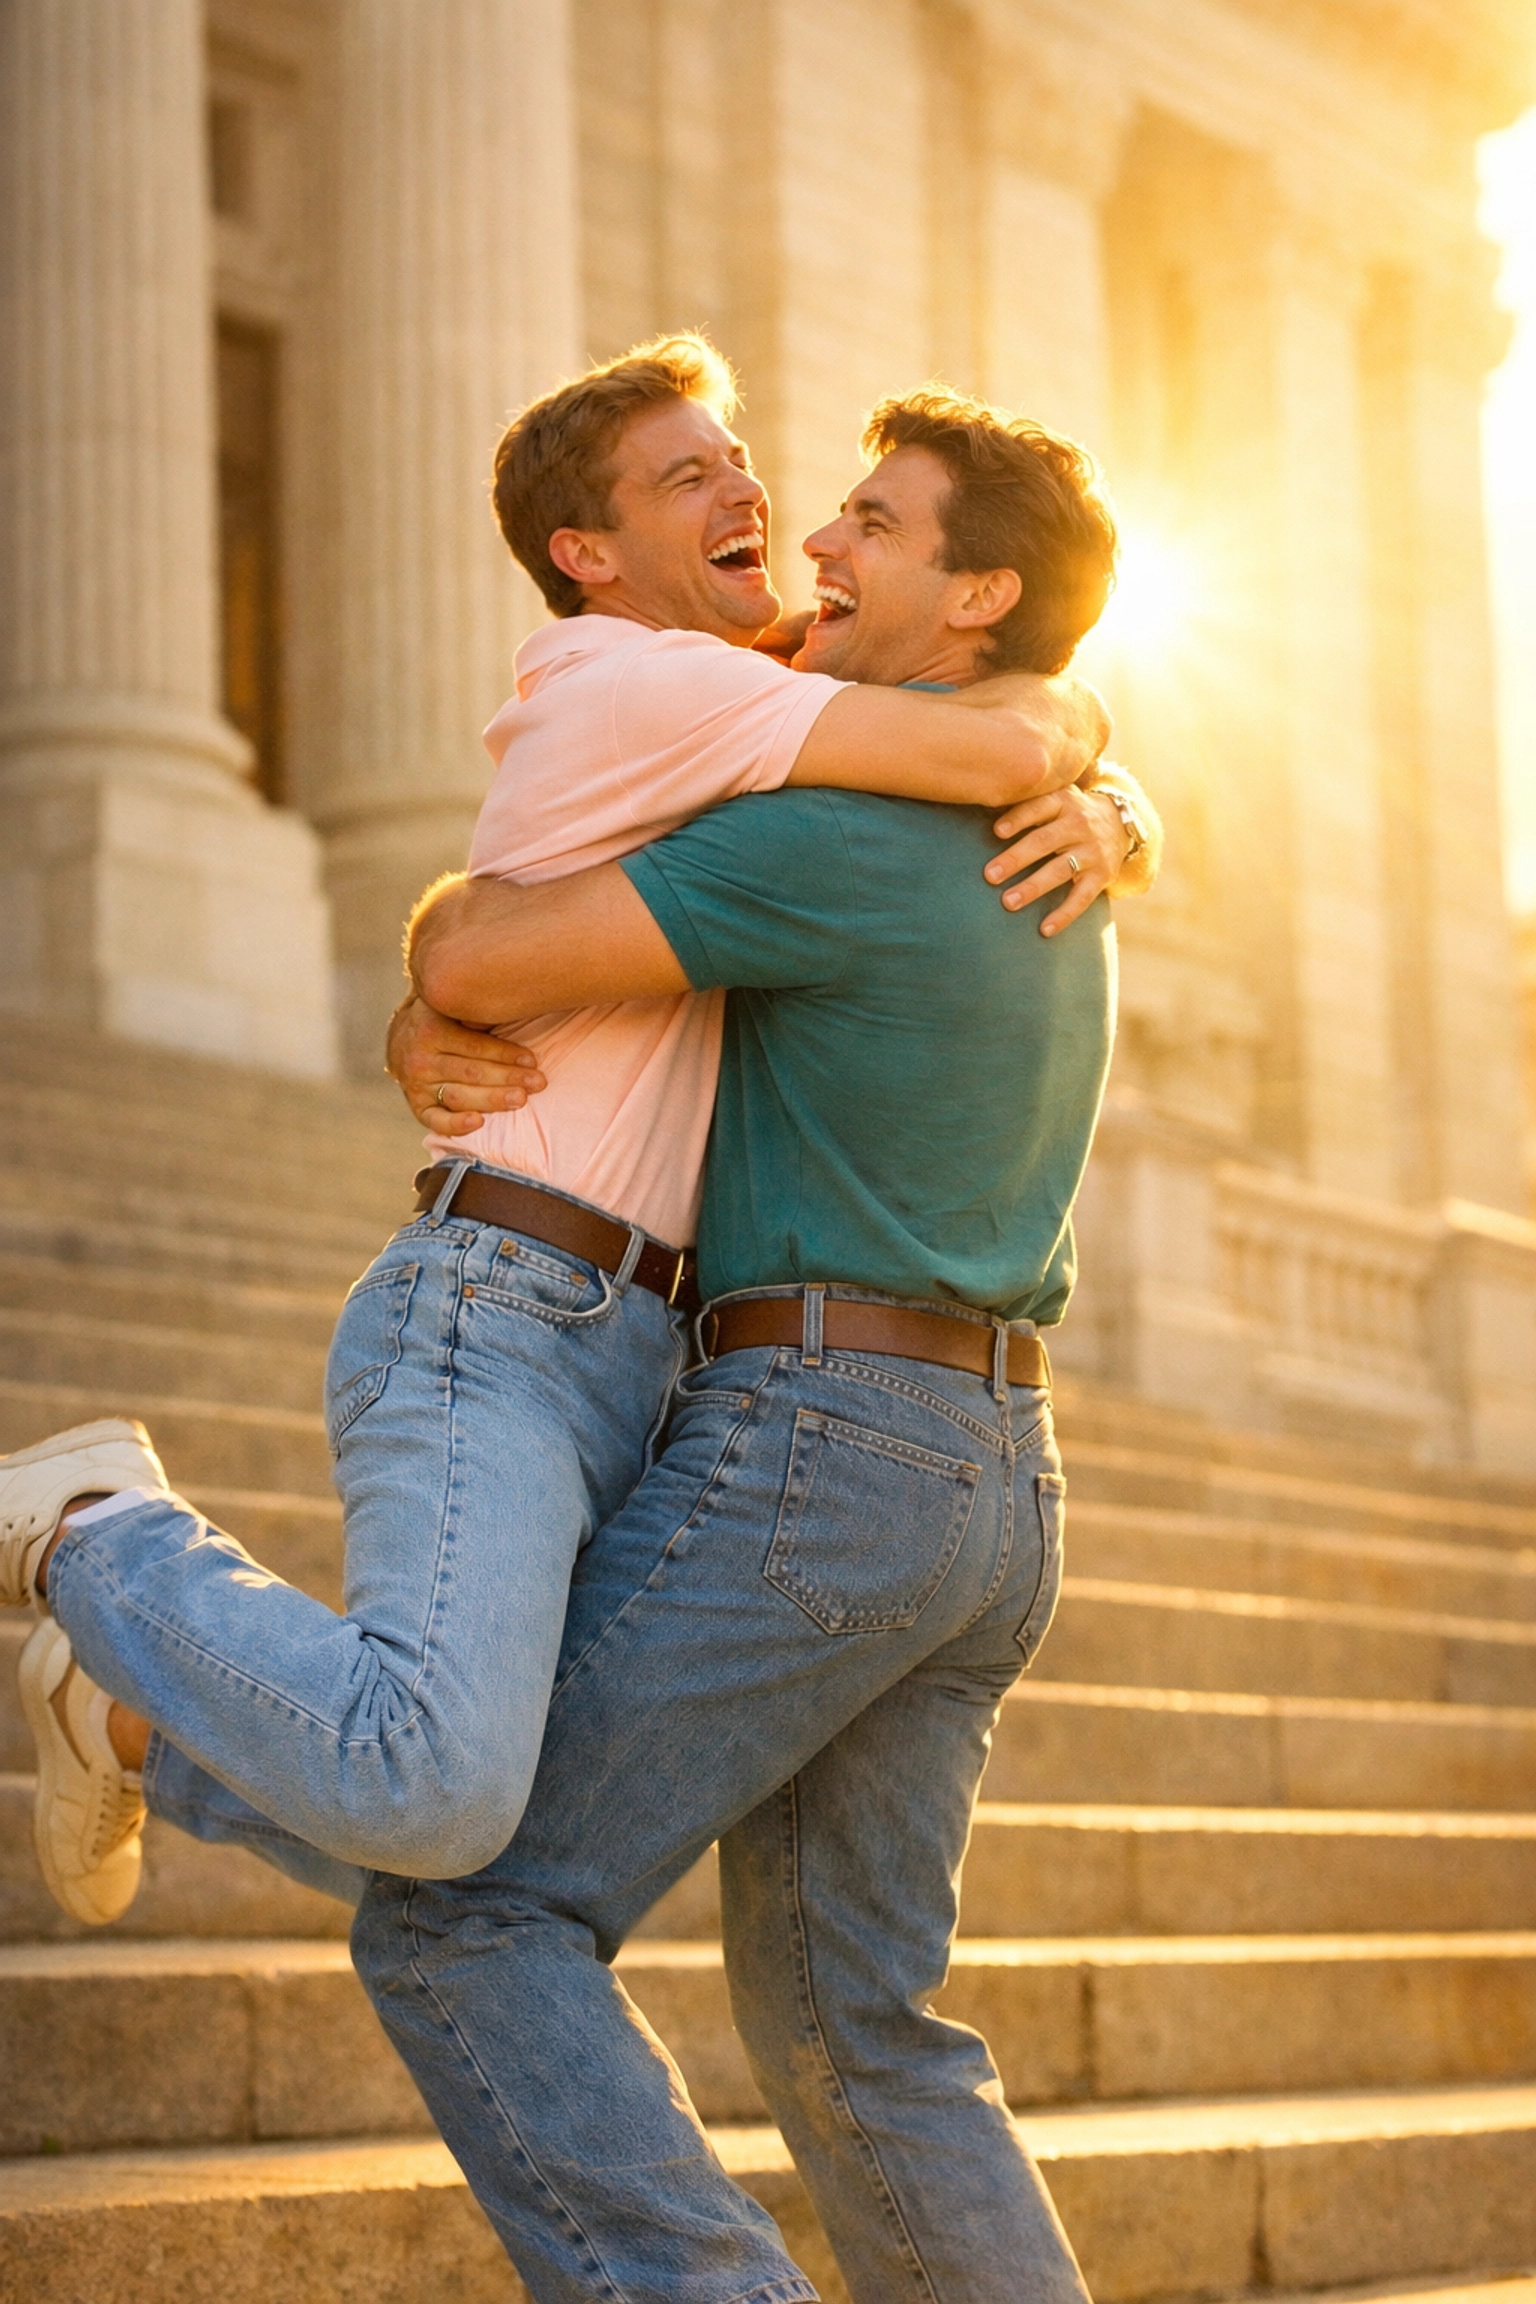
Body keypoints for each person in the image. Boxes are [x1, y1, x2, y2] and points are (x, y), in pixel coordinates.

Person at [0, 336, 1146, 1930]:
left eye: (742, 457)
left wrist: (1121, 793)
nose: (762, 497)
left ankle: (122, 1717)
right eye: (692, 477)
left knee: (505, 1810)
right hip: (508, 1303)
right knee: (443, 1788)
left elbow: (1005, 679)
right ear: (586, 557)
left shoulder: (759, 693)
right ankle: (97, 1538)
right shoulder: (664, 682)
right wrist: (1094, 784)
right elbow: (1004, 736)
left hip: (631, 1339)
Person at [348, 386, 1136, 2303]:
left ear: (975, 602)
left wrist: (424, 988)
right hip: (999, 1486)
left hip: (826, 1450)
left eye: (873, 522)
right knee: (869, 2041)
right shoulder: (1032, 833)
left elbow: (483, 960)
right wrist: (1104, 772)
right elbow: (1034, 715)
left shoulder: (844, 833)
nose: (818, 544)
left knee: (477, 1915)